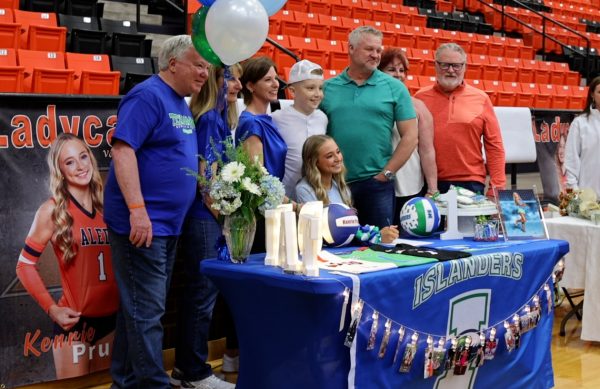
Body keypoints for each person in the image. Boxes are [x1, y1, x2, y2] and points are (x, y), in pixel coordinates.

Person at [103, 35, 209, 389]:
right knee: (147, 313)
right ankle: (153, 385)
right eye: (198, 64)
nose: (204, 73)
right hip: (143, 224)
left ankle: (126, 381)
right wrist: (137, 210)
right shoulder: (147, 96)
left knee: (137, 310)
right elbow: (122, 151)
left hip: (166, 226)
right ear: (172, 63)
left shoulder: (179, 102)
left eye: (207, 67)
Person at [16, 133, 118, 379]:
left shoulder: (109, 204)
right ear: (60, 171)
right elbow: (25, 265)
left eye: (83, 157)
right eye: (70, 162)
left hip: (112, 320)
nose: (80, 166)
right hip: (75, 324)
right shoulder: (52, 210)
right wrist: (52, 309)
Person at [170, 64, 241, 389]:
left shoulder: (219, 118)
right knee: (202, 294)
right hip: (205, 217)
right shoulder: (211, 118)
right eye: (232, 77)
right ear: (217, 81)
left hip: (206, 216)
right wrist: (223, 217)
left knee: (201, 293)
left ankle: (188, 368)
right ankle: (192, 371)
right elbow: (206, 177)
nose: (238, 85)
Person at [320, 26, 418, 228]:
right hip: (334, 185)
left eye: (378, 50)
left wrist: (386, 175)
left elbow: (410, 137)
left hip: (377, 185)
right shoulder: (327, 88)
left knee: (381, 249)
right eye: (369, 50)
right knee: (337, 248)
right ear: (351, 48)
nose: (375, 55)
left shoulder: (395, 87)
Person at [415, 43, 506, 197]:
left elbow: (494, 146)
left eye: (456, 66)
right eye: (445, 65)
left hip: (471, 182)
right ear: (435, 66)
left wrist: (497, 187)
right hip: (429, 184)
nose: (451, 70)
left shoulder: (481, 98)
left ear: (465, 67)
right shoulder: (419, 98)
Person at [295, 135, 399, 243]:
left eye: (338, 152)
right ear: (314, 161)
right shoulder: (304, 189)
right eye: (330, 156)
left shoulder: (342, 188)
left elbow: (351, 227)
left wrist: (377, 233)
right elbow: (329, 233)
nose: (338, 158)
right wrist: (376, 236)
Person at [378, 47, 438, 225]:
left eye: (401, 70)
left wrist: (432, 188)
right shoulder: (368, 103)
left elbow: (427, 150)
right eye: (391, 69)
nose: (398, 74)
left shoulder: (418, 106)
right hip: (377, 182)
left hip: (409, 184)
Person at [271, 59, 328, 197]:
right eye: (310, 88)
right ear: (292, 91)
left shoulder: (322, 118)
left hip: (315, 195)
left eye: (320, 88)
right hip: (286, 196)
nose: (317, 94)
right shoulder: (276, 119)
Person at [235, 56, 287, 181]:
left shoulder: (264, 119)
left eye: (276, 78)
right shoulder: (252, 123)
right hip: (266, 199)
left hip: (276, 196)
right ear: (250, 86)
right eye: (268, 80)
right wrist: (289, 200)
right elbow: (257, 178)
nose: (276, 84)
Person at [564, 75, 600, 196]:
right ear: (592, 95)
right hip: (588, 198)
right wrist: (576, 194)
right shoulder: (580, 123)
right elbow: (571, 160)